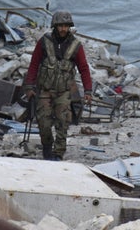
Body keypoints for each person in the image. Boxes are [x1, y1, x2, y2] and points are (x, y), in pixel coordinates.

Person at [23, 10, 93, 161]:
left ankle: (58, 153)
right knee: (44, 122)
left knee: (63, 123)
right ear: (55, 25)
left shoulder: (76, 46)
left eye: (66, 26)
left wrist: (88, 90)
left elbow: (84, 68)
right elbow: (34, 65)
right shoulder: (44, 42)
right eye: (60, 25)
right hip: (45, 91)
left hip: (64, 92)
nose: (63, 29)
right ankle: (47, 148)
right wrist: (29, 87)